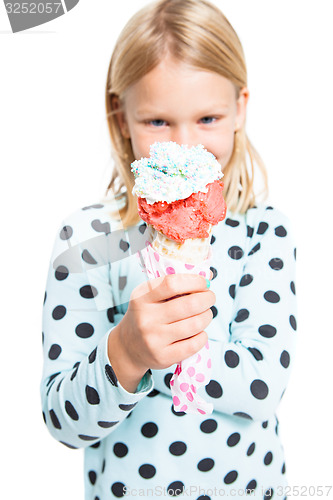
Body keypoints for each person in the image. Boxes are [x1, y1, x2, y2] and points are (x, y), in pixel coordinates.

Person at [41, 1, 297, 499]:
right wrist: (127, 352)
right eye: (158, 122)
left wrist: (168, 357)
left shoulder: (266, 233)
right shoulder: (86, 243)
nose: (185, 148)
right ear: (122, 116)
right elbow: (62, 419)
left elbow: (263, 386)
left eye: (207, 118)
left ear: (240, 108)